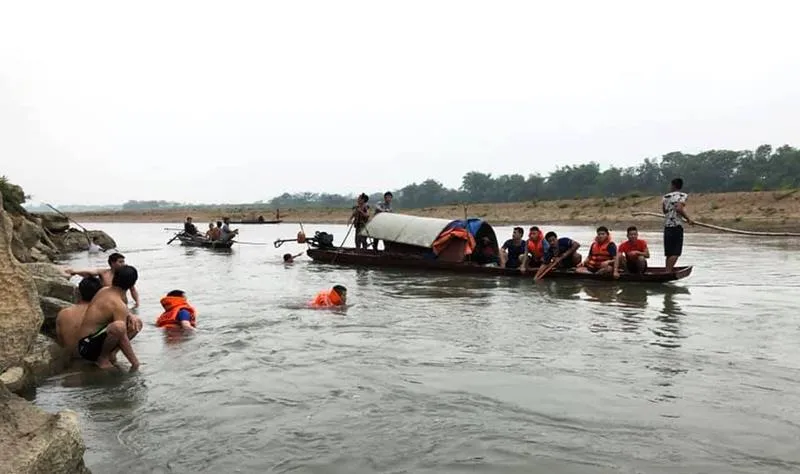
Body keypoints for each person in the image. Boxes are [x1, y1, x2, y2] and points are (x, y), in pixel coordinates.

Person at [57, 276, 143, 359]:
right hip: (92, 355)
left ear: (78, 292)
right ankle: (111, 354)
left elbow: (60, 341)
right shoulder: (103, 313)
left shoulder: (63, 314)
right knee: (133, 324)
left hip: (74, 355)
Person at [76, 265, 141, 371]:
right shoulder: (118, 305)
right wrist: (135, 362)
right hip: (87, 348)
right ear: (132, 284)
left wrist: (130, 314)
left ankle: (111, 354)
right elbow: (122, 335)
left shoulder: (104, 290)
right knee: (119, 326)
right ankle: (103, 358)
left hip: (85, 344)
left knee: (137, 323)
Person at [70, 253, 140, 308]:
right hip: (107, 304)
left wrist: (137, 302)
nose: (123, 264)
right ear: (112, 263)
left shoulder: (125, 276)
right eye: (120, 262)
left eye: (123, 262)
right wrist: (74, 272)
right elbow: (90, 273)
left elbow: (133, 289)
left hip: (122, 304)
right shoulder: (104, 273)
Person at [663, 177, 693, 273]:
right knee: (676, 252)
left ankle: (667, 271)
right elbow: (679, 208)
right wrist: (688, 219)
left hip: (667, 227)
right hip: (676, 226)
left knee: (669, 252)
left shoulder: (665, 197)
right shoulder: (682, 195)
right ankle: (668, 272)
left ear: (673, 185)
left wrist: (670, 212)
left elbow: (664, 211)